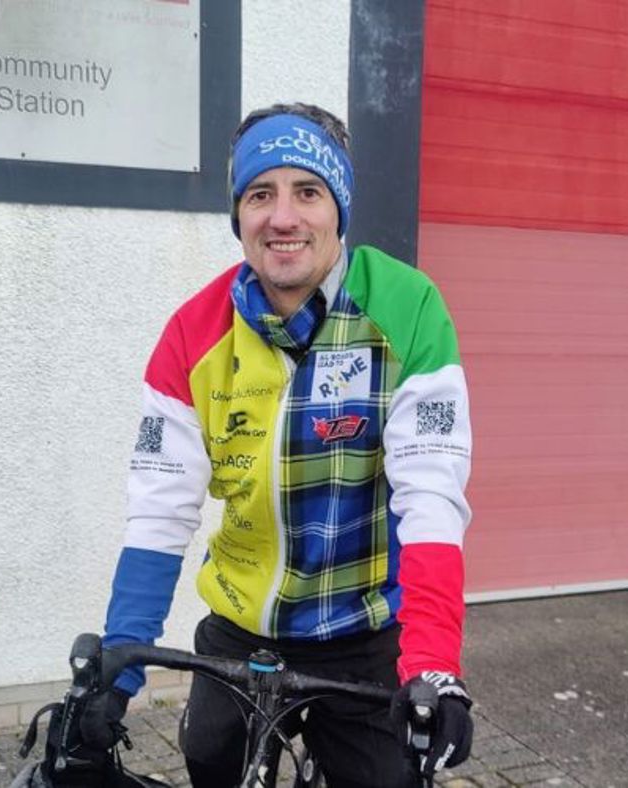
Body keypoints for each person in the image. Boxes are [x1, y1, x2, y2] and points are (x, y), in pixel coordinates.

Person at [81, 102, 474, 787]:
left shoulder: (408, 309)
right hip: (243, 630)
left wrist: (433, 666)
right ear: (239, 215)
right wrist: (118, 668)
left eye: (308, 192)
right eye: (260, 194)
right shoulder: (192, 335)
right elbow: (159, 512)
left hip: (361, 633)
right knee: (208, 758)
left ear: (338, 209)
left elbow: (431, 500)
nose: (283, 217)